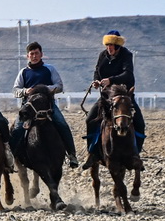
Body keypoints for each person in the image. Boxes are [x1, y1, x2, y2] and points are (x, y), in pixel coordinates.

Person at [83, 30, 147, 170]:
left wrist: (111, 80)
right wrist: (96, 81)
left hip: (124, 97)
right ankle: (92, 152)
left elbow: (128, 74)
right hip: (106, 98)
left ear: (118, 46)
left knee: (140, 123)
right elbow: (97, 71)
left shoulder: (126, 55)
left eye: (112, 46)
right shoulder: (102, 56)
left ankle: (136, 154)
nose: (109, 48)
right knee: (90, 120)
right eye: (107, 46)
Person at [12, 42, 78, 167]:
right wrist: (25, 91)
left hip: (47, 105)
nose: (34, 56)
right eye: (31, 54)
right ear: (27, 56)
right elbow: (15, 90)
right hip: (29, 107)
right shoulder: (23, 72)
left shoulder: (50, 69)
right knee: (17, 127)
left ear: (41, 54)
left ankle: (72, 155)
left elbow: (59, 86)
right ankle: (11, 158)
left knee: (61, 123)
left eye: (37, 53)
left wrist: (44, 89)